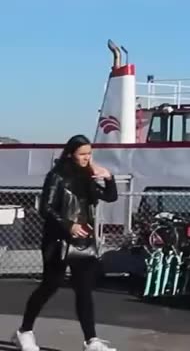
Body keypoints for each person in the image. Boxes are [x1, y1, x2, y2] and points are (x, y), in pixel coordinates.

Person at [14, 135, 118, 351]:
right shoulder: (57, 176)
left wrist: (109, 177)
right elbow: (46, 208)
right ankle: (25, 331)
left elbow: (110, 197)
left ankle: (92, 341)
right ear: (71, 154)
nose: (86, 158)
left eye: (89, 154)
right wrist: (68, 224)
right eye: (82, 154)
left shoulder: (87, 177)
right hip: (58, 240)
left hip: (83, 241)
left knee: (84, 290)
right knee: (50, 285)